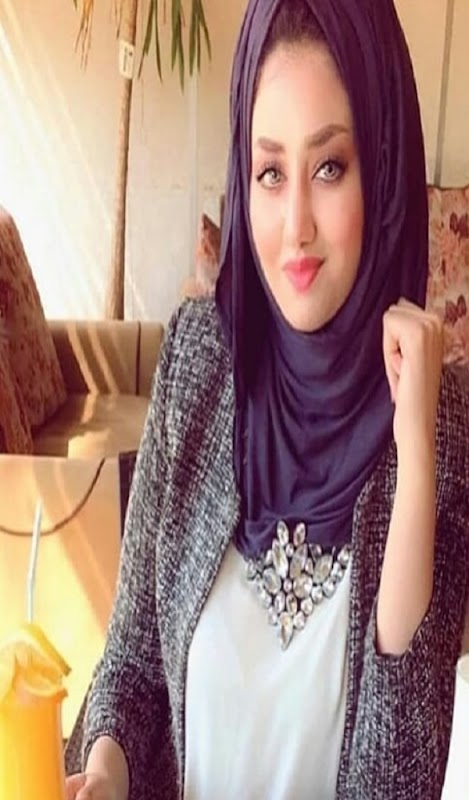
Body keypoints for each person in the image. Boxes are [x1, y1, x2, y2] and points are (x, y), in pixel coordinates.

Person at [65, 0, 469, 798]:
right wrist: (106, 770)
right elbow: (134, 659)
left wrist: (415, 460)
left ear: (384, 169)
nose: (293, 230)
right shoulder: (198, 363)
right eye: (269, 172)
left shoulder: (441, 423)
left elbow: (400, 776)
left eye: (329, 167)